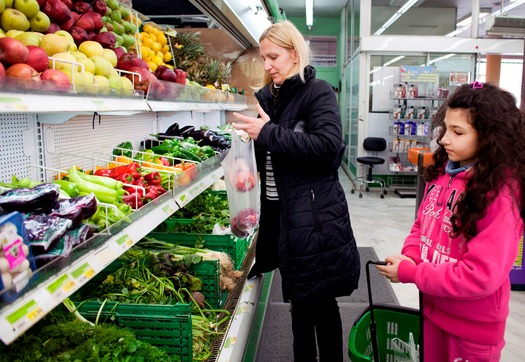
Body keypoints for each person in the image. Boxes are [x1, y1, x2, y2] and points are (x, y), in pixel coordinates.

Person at [231, 20, 360, 362]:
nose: (268, 64)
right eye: (264, 58)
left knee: (321, 304)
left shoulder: (317, 92)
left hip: (315, 216)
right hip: (283, 217)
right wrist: (245, 155)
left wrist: (268, 133)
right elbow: (273, 152)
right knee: (300, 304)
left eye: (274, 56)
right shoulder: (268, 99)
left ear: (294, 53)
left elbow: (329, 148)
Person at [377, 82, 525, 362]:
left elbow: (480, 275)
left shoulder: (499, 195)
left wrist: (413, 274)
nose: (444, 139)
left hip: (472, 329)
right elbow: (422, 225)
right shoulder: (444, 175)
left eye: (458, 132)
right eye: (445, 128)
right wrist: (411, 258)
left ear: (490, 138)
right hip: (434, 309)